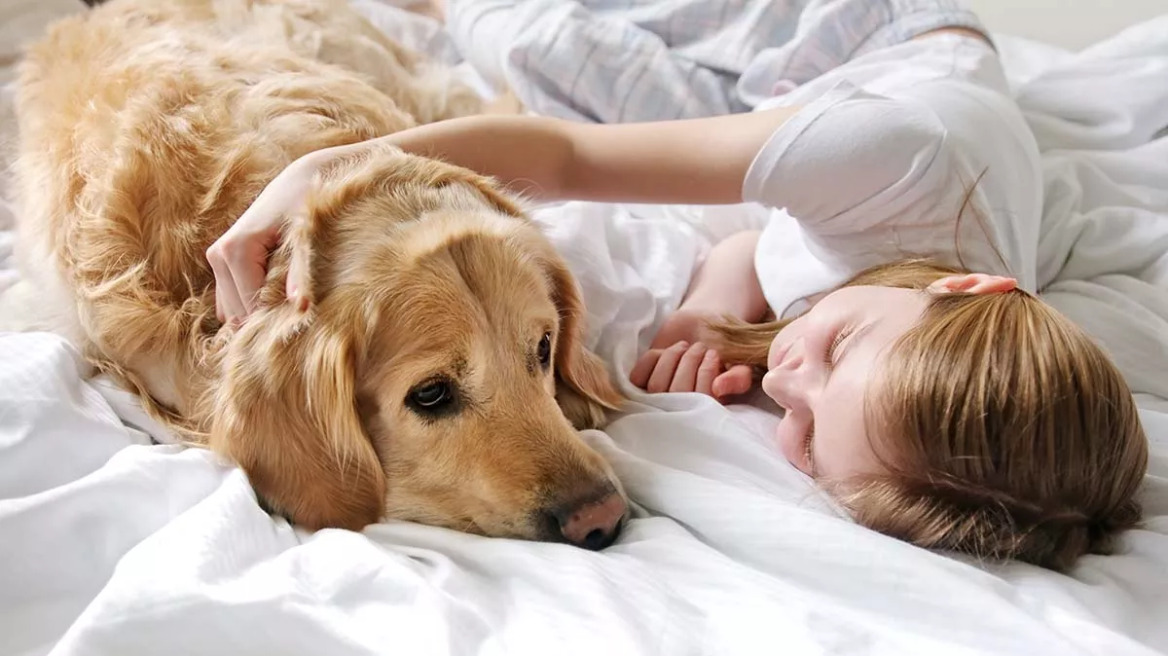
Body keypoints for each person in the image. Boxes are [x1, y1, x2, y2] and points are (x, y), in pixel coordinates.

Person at [205, 1, 1148, 571]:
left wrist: (707, 306)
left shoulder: (932, 337)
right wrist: (333, 169)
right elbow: (565, 156)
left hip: (824, 129)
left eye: (807, 431)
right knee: (529, 38)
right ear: (971, 287)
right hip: (853, 35)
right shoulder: (895, 158)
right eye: (836, 351)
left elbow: (767, 247)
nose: (786, 372)